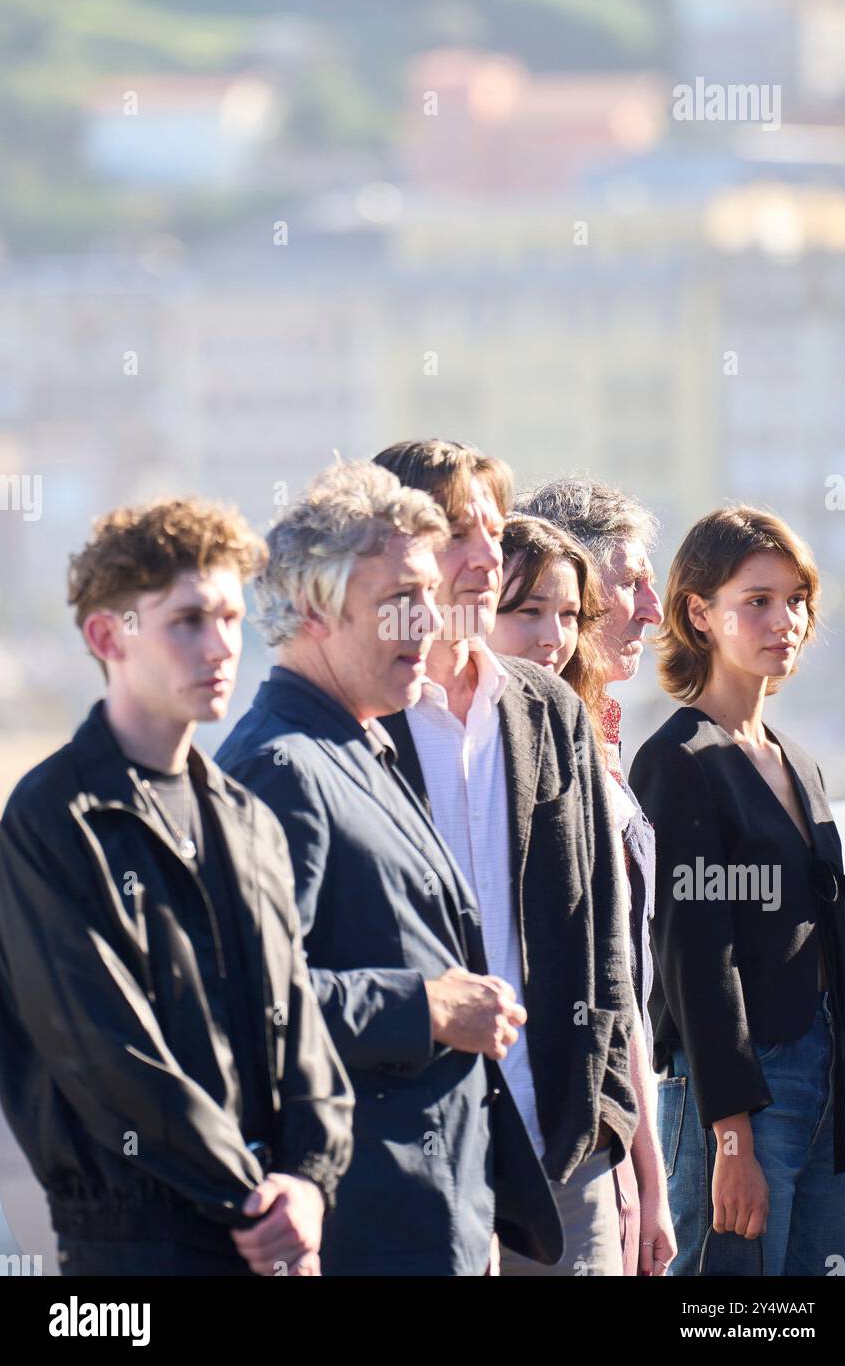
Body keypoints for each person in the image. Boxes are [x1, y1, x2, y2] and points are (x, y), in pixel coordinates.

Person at [216, 459, 563, 1276]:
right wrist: (426, 1007)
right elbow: (242, 1004)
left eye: (428, 598)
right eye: (398, 603)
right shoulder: (283, 769)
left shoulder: (361, 746)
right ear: (314, 612)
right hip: (366, 1226)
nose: (427, 624)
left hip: (435, 1210)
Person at [0, 498, 354, 1277]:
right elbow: (105, 1053)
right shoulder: (54, 820)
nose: (221, 645)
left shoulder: (247, 819)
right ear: (106, 637)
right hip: (137, 1255)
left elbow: (301, 1031)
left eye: (230, 617)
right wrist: (259, 1202)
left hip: (276, 1235)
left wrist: (311, 1186)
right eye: (188, 620)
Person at [373, 440, 638, 1278]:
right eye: (458, 532)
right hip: (408, 1164)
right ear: (393, 548)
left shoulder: (551, 709)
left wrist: (608, 1117)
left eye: (492, 530)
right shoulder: (356, 720)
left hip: (560, 1155)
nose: (489, 555)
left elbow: (604, 935)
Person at [629, 504, 845, 1275]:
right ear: (699, 613)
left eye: (796, 599)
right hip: (739, 1092)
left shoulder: (801, 760)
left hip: (828, 1084)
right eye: (756, 600)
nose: (785, 619)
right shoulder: (680, 761)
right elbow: (696, 961)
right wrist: (730, 1136)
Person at [492, 501, 675, 1277]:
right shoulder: (492, 748)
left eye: (567, 612)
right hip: (537, 1140)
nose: (650, 608)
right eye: (630, 580)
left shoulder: (591, 732)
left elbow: (618, 979)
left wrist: (635, 1158)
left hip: (600, 1134)